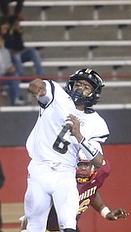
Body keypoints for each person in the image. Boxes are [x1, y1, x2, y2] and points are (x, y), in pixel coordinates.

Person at [24, 68, 109, 231]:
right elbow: (40, 85)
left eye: (86, 87)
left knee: (68, 225)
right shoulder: (58, 97)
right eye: (78, 84)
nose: (80, 88)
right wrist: (36, 86)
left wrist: (79, 136)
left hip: (65, 172)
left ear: (94, 93)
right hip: (39, 168)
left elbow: (98, 161)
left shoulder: (96, 122)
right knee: (34, 226)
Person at [20, 151, 129, 231]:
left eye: (86, 164)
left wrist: (106, 212)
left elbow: (91, 191)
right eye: (79, 164)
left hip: (69, 227)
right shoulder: (62, 180)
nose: (83, 168)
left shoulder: (98, 174)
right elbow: (38, 206)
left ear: (93, 166)